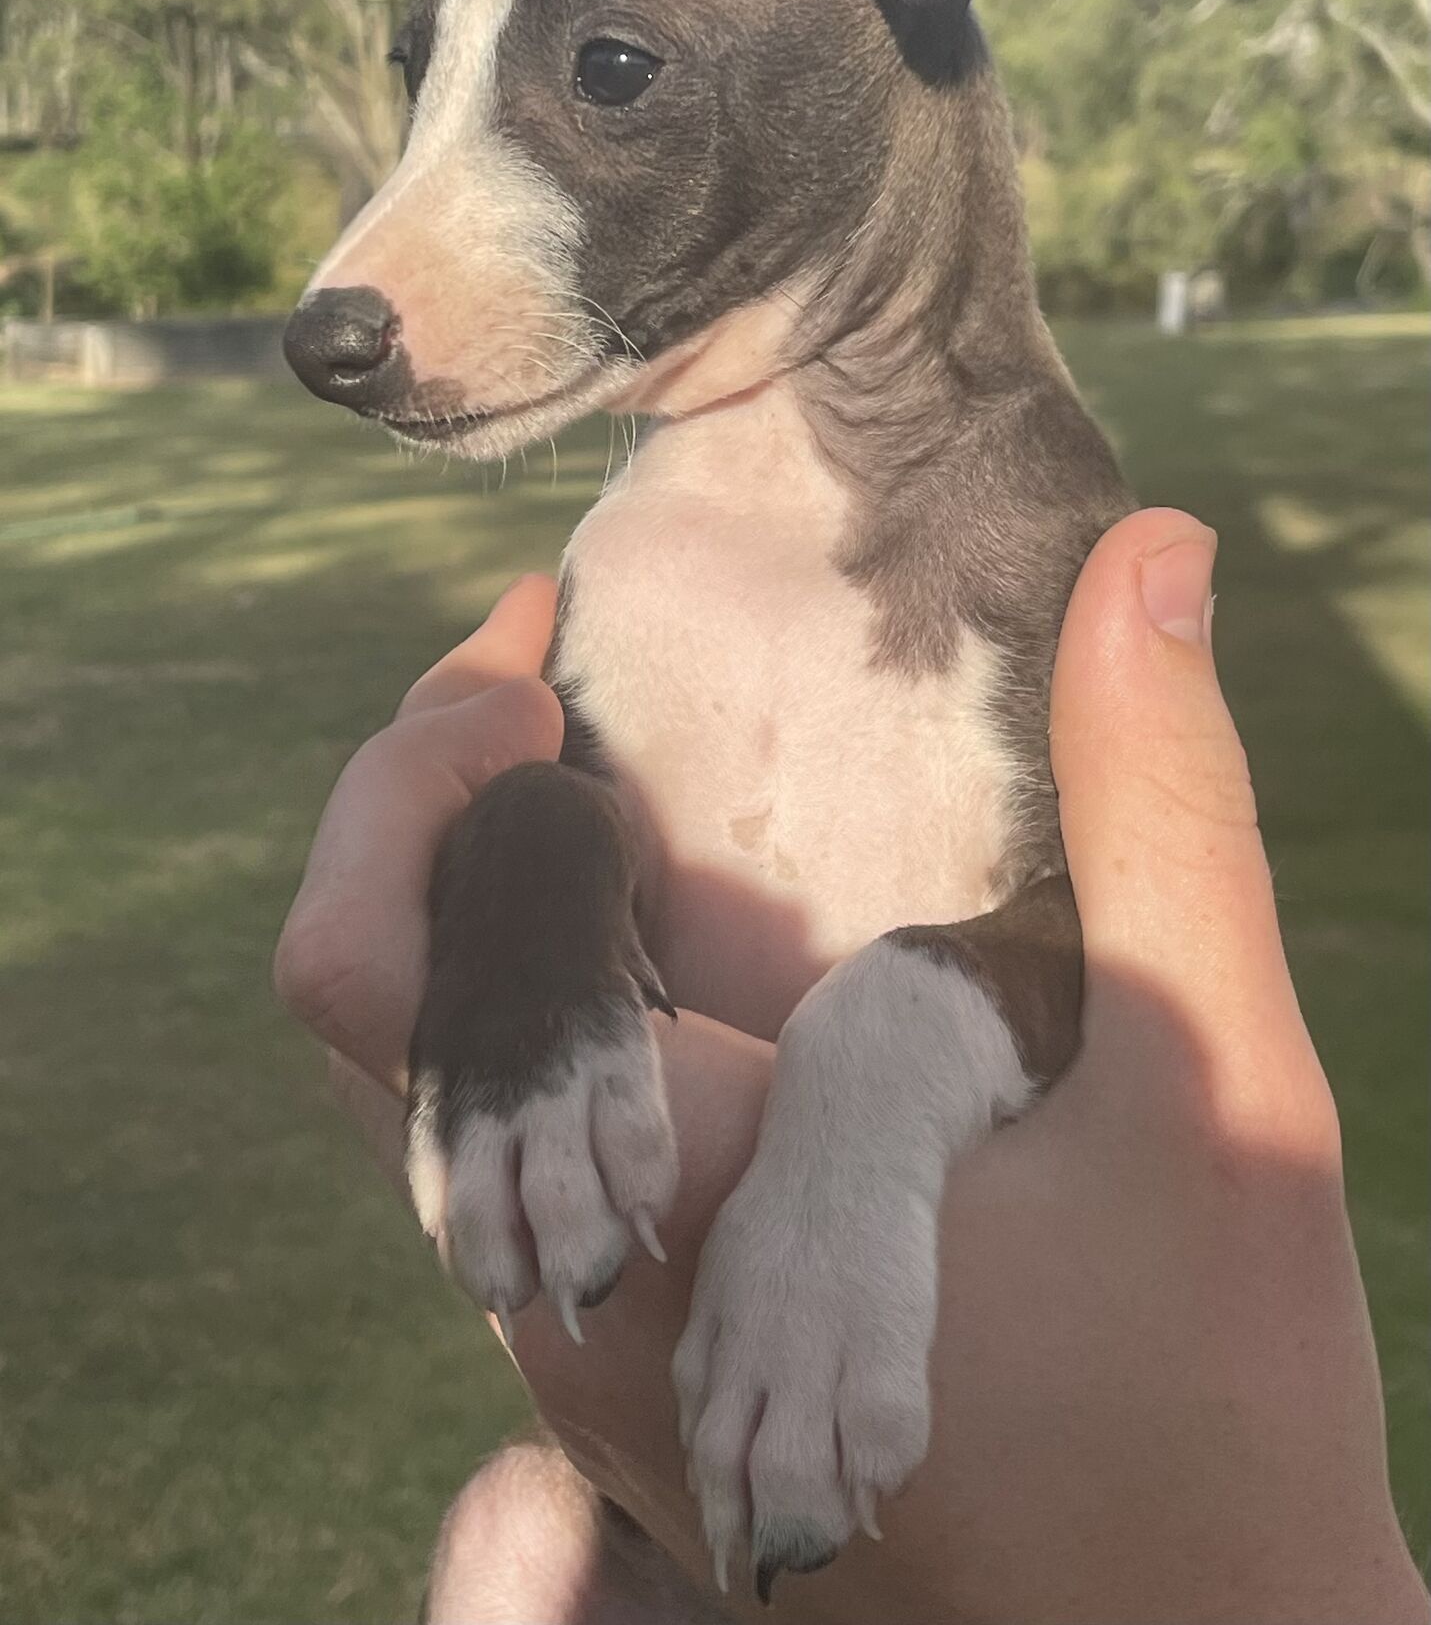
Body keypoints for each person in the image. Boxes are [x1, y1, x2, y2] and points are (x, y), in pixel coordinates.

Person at [275, 509, 1429, 1625]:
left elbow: (1096, 945)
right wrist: (522, 899)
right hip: (636, 1544)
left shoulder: (1017, 533)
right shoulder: (642, 560)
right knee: (512, 1537)